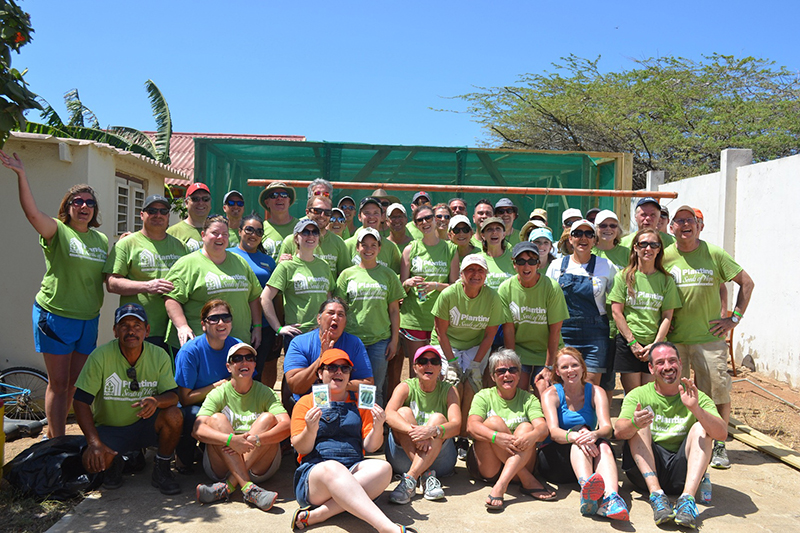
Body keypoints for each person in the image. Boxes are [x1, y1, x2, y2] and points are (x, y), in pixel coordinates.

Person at [2, 150, 108, 438]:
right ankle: (56, 442)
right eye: (78, 201)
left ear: (95, 209)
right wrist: (22, 175)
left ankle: (56, 436)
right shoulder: (58, 230)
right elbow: (32, 213)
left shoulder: (100, 239)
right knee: (58, 383)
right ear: (68, 206)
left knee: (74, 384)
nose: (84, 206)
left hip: (88, 318)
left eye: (90, 202)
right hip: (56, 316)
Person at [663, 205, 754, 469]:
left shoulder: (714, 253)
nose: (684, 225)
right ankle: (683, 439)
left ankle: (720, 445)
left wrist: (734, 318)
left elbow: (746, 283)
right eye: (679, 221)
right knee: (674, 391)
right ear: (672, 228)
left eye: (689, 220)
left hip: (709, 339)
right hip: (675, 338)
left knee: (716, 391)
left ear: (699, 226)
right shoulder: (666, 256)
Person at [290, 349, 416, 533]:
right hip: (316, 475)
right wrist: (310, 429)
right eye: (332, 367)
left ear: (350, 374)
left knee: (384, 468)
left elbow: (371, 446)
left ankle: (320, 514)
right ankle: (386, 527)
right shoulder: (306, 402)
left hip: (353, 468)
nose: (338, 372)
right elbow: (301, 447)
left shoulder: (360, 401)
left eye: (344, 368)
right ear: (320, 373)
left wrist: (378, 425)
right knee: (333, 467)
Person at [614, 342, 726, 529]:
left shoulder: (697, 396)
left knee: (702, 428)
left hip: (681, 476)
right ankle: (657, 496)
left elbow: (721, 434)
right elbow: (618, 432)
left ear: (681, 364)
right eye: (660, 362)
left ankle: (687, 500)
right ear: (651, 368)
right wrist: (634, 423)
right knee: (639, 423)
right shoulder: (638, 395)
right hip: (645, 472)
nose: (667, 367)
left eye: (672, 361)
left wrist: (695, 409)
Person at [73, 304, 182, 494]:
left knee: (174, 414)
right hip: (111, 429)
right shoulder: (100, 356)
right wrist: (94, 443)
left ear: (147, 330)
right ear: (115, 331)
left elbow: (173, 396)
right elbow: (80, 401)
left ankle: (162, 468)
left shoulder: (158, 355)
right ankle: (114, 462)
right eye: (124, 325)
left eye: (137, 325)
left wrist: (156, 401)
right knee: (91, 463)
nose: (131, 331)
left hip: (145, 425)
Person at [193, 342, 290, 510]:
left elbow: (287, 425)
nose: (244, 363)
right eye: (237, 359)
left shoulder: (265, 392)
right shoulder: (218, 393)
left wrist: (256, 440)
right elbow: (197, 429)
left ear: (254, 365)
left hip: (260, 467)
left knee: (268, 419)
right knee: (216, 419)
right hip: (220, 466)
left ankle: (228, 486)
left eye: (249, 358)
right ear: (229, 367)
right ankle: (249, 489)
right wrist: (230, 440)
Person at [539, 348, 628, 520]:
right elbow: (554, 431)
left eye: (574, 365)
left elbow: (606, 428)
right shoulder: (551, 394)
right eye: (564, 367)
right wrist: (576, 435)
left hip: (588, 449)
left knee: (604, 445)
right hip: (556, 458)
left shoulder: (596, 392)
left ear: (582, 367)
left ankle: (611, 498)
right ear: (557, 371)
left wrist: (593, 435)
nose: (570, 370)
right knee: (580, 440)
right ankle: (587, 490)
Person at [432, 254, 505, 458]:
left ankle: (463, 437)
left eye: (480, 270)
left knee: (472, 384)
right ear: (461, 274)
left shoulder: (492, 297)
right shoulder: (448, 294)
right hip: (447, 344)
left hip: (475, 344)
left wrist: (475, 364)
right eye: (470, 270)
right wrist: (453, 363)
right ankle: (447, 435)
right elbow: (441, 333)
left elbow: (490, 334)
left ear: (486, 274)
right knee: (453, 385)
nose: (476, 274)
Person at [466, 349, 553, 510]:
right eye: (501, 371)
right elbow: (471, 426)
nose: (507, 374)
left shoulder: (528, 398)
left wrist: (532, 436)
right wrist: (496, 437)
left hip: (516, 469)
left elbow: (543, 428)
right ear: (492, 376)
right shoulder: (483, 396)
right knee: (493, 423)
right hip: (489, 467)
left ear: (519, 375)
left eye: (513, 370)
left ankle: (501, 486)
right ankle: (527, 480)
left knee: (527, 428)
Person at [164, 215, 262, 351]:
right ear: (203, 235)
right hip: (199, 345)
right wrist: (182, 326)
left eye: (224, 234)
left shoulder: (240, 262)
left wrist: (257, 327)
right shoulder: (187, 264)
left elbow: (254, 297)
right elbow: (172, 299)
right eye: (215, 233)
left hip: (237, 344)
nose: (220, 237)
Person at [104, 194, 188, 352]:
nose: (158, 215)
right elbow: (112, 283)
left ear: (169, 216)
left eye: (163, 211)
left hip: (174, 331)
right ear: (142, 215)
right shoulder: (127, 244)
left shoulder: (180, 246)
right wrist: (147, 286)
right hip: (138, 331)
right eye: (152, 210)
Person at [547, 220, 617, 397]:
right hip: (565, 331)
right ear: (570, 239)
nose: (583, 238)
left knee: (591, 385)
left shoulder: (606, 266)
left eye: (589, 234)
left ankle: (590, 424)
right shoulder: (556, 266)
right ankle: (566, 423)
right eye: (578, 234)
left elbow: (618, 298)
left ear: (595, 240)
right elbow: (547, 300)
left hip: (595, 334)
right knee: (564, 382)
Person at [336, 228, 404, 406]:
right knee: (348, 385)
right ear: (357, 248)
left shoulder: (388, 275)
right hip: (352, 340)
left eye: (373, 245)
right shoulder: (347, 275)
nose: (368, 249)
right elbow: (340, 310)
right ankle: (352, 426)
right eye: (364, 245)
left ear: (379, 248)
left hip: (379, 340)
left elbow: (394, 311)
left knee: (373, 389)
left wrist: (394, 340)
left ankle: (374, 429)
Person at [384, 345, 461, 503]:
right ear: (415, 367)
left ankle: (411, 478)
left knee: (438, 419)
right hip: (403, 456)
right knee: (403, 413)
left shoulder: (449, 390)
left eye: (434, 361)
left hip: (440, 460)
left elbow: (456, 425)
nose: (429, 365)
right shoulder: (405, 387)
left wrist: (431, 431)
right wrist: (415, 433)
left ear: (440, 368)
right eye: (423, 361)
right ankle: (426, 475)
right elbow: (388, 414)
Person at [609, 229, 681, 394]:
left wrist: (655, 345)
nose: (648, 249)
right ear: (635, 247)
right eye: (643, 244)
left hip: (654, 344)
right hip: (629, 344)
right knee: (634, 395)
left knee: (651, 393)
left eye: (653, 244)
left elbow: (667, 316)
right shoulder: (624, 277)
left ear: (658, 250)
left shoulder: (666, 280)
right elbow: (617, 313)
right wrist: (633, 343)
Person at [174, 300, 241, 473]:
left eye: (226, 317)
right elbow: (185, 398)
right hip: (196, 406)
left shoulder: (237, 346)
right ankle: (183, 456)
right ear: (203, 324)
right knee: (194, 415)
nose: (221, 323)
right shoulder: (190, 352)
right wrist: (216, 386)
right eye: (214, 319)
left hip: (228, 403)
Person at [400, 204, 459, 386]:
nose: (425, 222)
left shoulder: (450, 249)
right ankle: (415, 410)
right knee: (416, 368)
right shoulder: (410, 250)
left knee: (439, 368)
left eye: (428, 218)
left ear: (435, 219)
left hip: (439, 319)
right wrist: (407, 283)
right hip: (414, 318)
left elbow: (456, 286)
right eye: (420, 220)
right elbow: (402, 287)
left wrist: (435, 285)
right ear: (415, 224)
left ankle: (438, 408)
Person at [499, 242, 568, 396]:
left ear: (538, 264)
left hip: (547, 352)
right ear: (514, 264)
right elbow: (508, 330)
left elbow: (555, 331)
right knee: (516, 391)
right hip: (520, 352)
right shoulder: (505, 289)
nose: (526, 266)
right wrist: (512, 364)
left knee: (544, 390)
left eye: (531, 261)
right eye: (521, 261)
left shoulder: (552, 288)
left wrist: (549, 367)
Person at [282, 298, 374, 405]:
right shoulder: (299, 342)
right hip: (309, 406)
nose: (335, 317)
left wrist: (339, 385)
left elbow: (368, 384)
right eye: (330, 313)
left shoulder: (355, 343)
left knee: (368, 403)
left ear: (345, 323)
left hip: (346, 406)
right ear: (319, 319)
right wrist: (321, 359)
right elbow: (295, 387)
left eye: (340, 315)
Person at [261, 219, 334, 350]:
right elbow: (265, 297)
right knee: (297, 371)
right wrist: (278, 328)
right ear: (296, 238)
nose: (310, 236)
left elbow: (328, 296)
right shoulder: (286, 266)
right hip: (297, 334)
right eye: (305, 232)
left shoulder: (324, 266)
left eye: (315, 232)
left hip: (321, 332)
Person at [227, 213, 279, 387]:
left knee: (257, 370)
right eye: (249, 229)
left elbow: (276, 296)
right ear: (240, 231)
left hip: (263, 326)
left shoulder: (268, 261)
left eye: (259, 231)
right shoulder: (227, 255)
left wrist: (277, 326)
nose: (253, 234)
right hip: (233, 324)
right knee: (231, 371)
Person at [280, 195, 350, 278]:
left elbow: (346, 275)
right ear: (307, 212)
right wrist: (281, 263)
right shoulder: (290, 241)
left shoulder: (338, 242)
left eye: (327, 212)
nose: (322, 215)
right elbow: (280, 275)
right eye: (317, 211)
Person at [345, 197, 402, 272]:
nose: (371, 217)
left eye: (376, 213)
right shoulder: (347, 245)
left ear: (382, 217)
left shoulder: (391, 247)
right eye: (367, 213)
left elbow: (396, 276)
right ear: (359, 217)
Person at [258, 182, 298, 261]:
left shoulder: (300, 227)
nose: (279, 198)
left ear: (289, 201)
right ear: (267, 203)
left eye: (284, 195)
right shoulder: (260, 229)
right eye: (274, 195)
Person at [167, 183, 210, 252]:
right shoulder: (172, 233)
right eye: (195, 199)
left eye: (205, 199)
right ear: (186, 203)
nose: (201, 203)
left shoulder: (218, 233)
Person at [478, 217, 514, 292]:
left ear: (504, 234)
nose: (494, 232)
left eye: (498, 229)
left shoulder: (514, 258)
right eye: (489, 229)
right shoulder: (477, 259)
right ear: (483, 235)